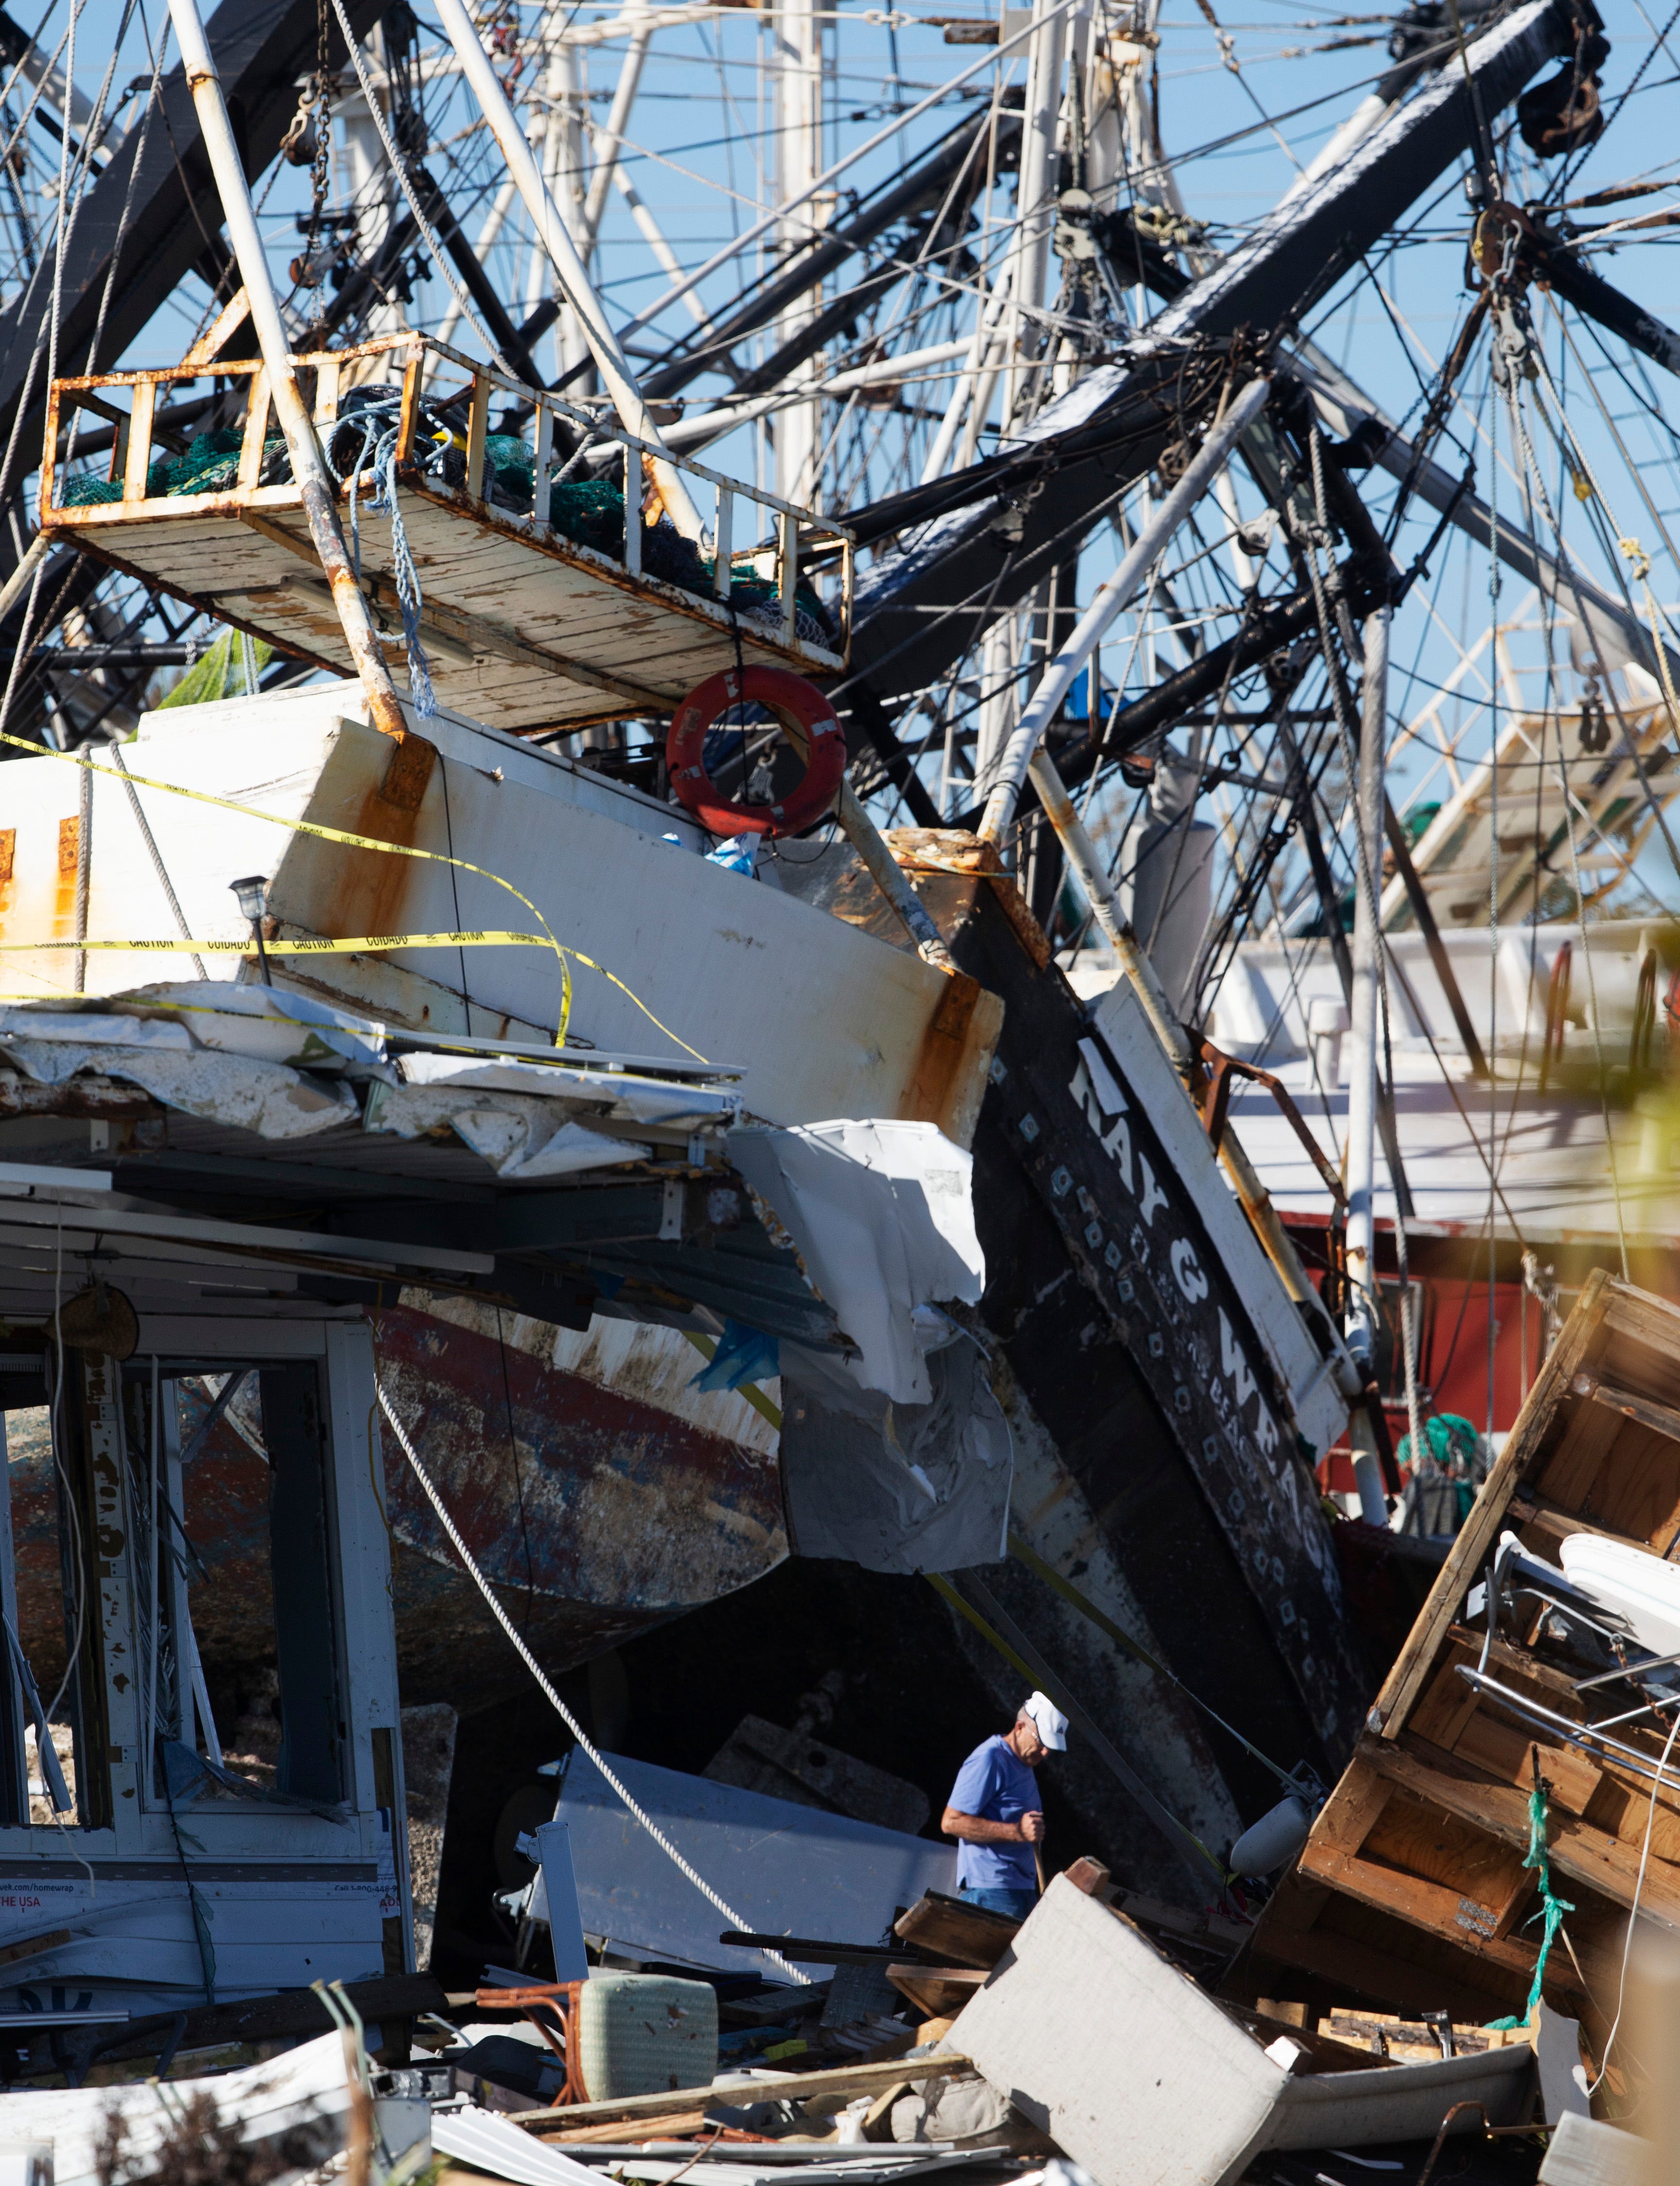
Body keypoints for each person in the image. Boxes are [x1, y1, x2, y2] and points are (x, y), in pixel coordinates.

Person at [940, 1691, 1068, 1921]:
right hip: (993, 1892)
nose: (1046, 1752)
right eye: (1042, 1742)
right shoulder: (990, 1759)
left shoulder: (1024, 1765)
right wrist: (1017, 1832)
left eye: (1050, 1747)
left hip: (1020, 1891)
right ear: (1019, 1727)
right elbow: (951, 1822)